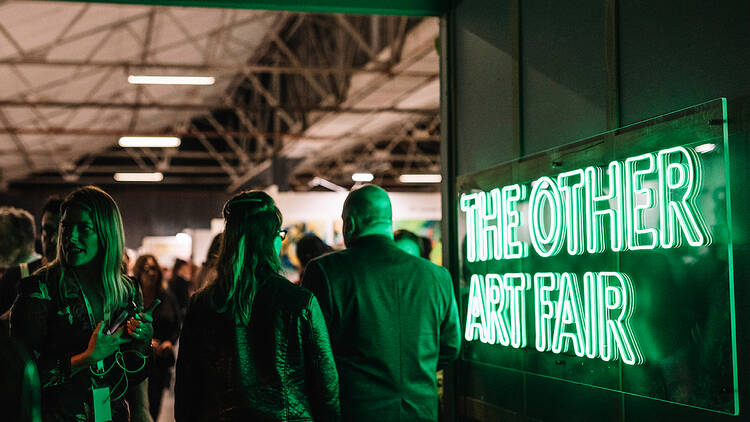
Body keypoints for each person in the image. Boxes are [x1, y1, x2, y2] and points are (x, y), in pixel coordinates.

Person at [175, 190, 339, 421]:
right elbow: (326, 386)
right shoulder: (299, 302)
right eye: (280, 234)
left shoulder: (202, 304)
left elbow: (187, 389)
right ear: (271, 239)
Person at [302, 185, 461, 421]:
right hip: (421, 412)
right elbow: (450, 347)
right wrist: (414, 371)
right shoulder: (437, 277)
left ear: (351, 224)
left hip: (355, 412)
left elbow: (313, 352)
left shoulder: (325, 272)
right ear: (389, 221)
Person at [11, 186, 154, 422]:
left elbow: (134, 373)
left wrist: (143, 342)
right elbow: (17, 376)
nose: (70, 237)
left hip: (112, 415)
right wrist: (84, 359)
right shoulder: (40, 289)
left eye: (83, 228)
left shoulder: (126, 290)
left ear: (106, 232)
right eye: (66, 227)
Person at [133, 254, 182, 421]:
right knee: (136, 409)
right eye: (146, 269)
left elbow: (176, 324)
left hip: (159, 364)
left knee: (153, 409)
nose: (151, 273)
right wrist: (146, 341)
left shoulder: (166, 297)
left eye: (154, 268)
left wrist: (169, 342)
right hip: (136, 362)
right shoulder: (131, 297)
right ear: (139, 272)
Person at [0, 196, 63, 316]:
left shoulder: (82, 281)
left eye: (60, 231)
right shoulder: (15, 276)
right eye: (47, 230)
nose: (54, 240)